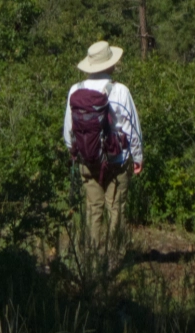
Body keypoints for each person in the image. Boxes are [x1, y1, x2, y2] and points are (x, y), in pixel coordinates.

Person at [62, 39, 144, 256]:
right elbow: (133, 129)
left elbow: (68, 132)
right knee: (116, 209)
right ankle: (116, 257)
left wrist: (78, 151)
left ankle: (93, 258)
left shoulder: (75, 90)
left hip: (88, 161)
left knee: (93, 209)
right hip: (116, 161)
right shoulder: (120, 91)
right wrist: (137, 157)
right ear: (111, 64)